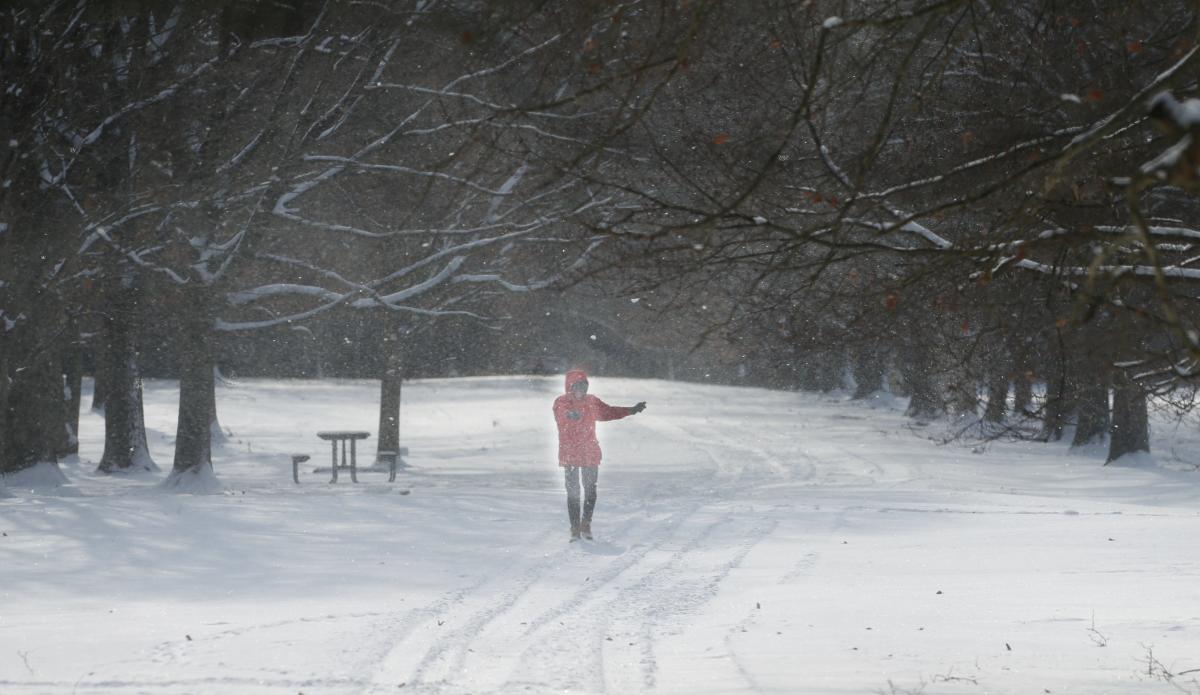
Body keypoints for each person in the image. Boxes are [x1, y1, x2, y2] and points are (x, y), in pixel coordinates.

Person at [552, 369, 646, 541]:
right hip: (570, 454)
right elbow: (561, 416)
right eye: (577, 386)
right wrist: (569, 415)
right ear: (569, 387)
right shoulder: (561, 402)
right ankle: (574, 528)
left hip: (590, 452)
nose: (581, 390)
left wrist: (630, 410)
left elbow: (608, 412)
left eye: (584, 386)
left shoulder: (591, 401)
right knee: (573, 493)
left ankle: (586, 523)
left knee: (590, 490)